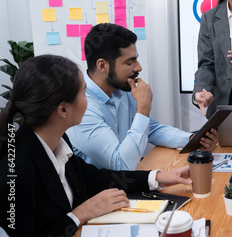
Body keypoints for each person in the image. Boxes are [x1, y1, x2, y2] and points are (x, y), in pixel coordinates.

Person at [0, 55, 192, 236]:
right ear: (63, 109)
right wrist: (80, 214)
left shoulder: (58, 140)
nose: (88, 99)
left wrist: (159, 177)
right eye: (84, 92)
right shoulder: (15, 170)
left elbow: (94, 178)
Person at [66, 23, 218, 170]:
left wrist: (192, 139)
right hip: (101, 191)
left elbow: (150, 129)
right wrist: (143, 108)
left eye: (136, 59)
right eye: (129, 62)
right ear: (102, 66)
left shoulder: (122, 89)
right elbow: (121, 164)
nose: (138, 67)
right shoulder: (82, 107)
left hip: (126, 182)